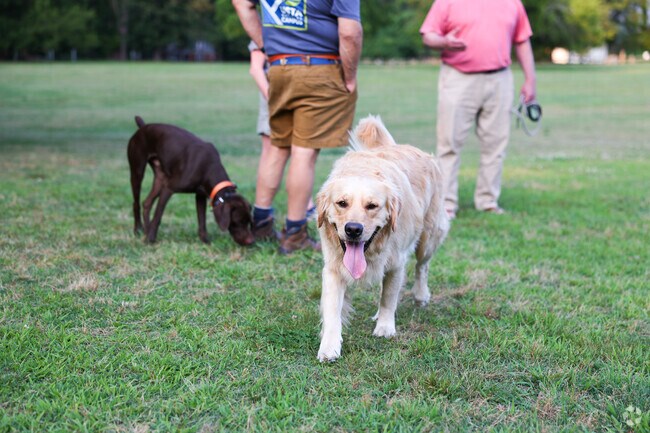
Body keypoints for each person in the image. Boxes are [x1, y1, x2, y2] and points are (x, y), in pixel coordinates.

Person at [233, 0, 362, 254]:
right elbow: (349, 32)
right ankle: (295, 234)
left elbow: (241, 3)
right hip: (318, 68)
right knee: (304, 153)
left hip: (280, 68)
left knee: (279, 147)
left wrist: (267, 47)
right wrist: (350, 75)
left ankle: (261, 224)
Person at [420, 0, 537, 219]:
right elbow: (428, 35)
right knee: (449, 143)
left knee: (496, 145)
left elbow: (522, 41)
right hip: (458, 77)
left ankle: (487, 201)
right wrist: (445, 41)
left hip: (500, 78)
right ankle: (446, 204)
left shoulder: (513, 3)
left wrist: (531, 80)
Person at [247, 40, 316, 230]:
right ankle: (262, 216)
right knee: (273, 151)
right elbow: (256, 68)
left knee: (301, 151)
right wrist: (274, 99)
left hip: (300, 92)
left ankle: (305, 206)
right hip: (275, 95)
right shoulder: (270, 21)